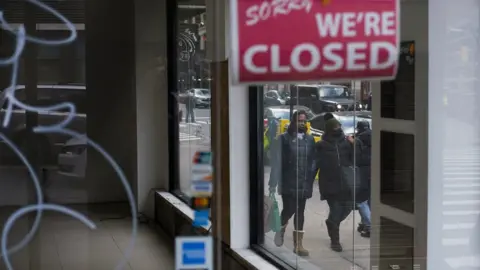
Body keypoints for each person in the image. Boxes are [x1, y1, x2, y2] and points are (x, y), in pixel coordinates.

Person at [268, 110, 316, 257]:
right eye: (298, 120)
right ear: (293, 121)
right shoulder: (283, 139)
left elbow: (312, 161)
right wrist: (273, 183)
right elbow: (277, 162)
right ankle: (281, 228)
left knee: (300, 212)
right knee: (289, 209)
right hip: (288, 181)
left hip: (304, 182)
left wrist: (311, 178)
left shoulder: (309, 139)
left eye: (303, 121)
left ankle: (298, 245)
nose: (301, 123)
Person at [314, 118, 362, 252]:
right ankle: (335, 241)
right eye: (334, 126)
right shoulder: (321, 145)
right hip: (330, 184)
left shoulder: (346, 142)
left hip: (346, 183)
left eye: (338, 126)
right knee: (335, 211)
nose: (337, 128)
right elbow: (314, 165)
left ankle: (332, 224)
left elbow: (356, 159)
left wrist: (354, 145)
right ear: (329, 128)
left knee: (347, 209)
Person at [355, 120, 372, 237]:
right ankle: (364, 224)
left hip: (362, 173)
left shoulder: (358, 141)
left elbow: (356, 158)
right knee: (369, 201)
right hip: (375, 173)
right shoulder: (376, 138)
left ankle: (370, 226)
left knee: (361, 201)